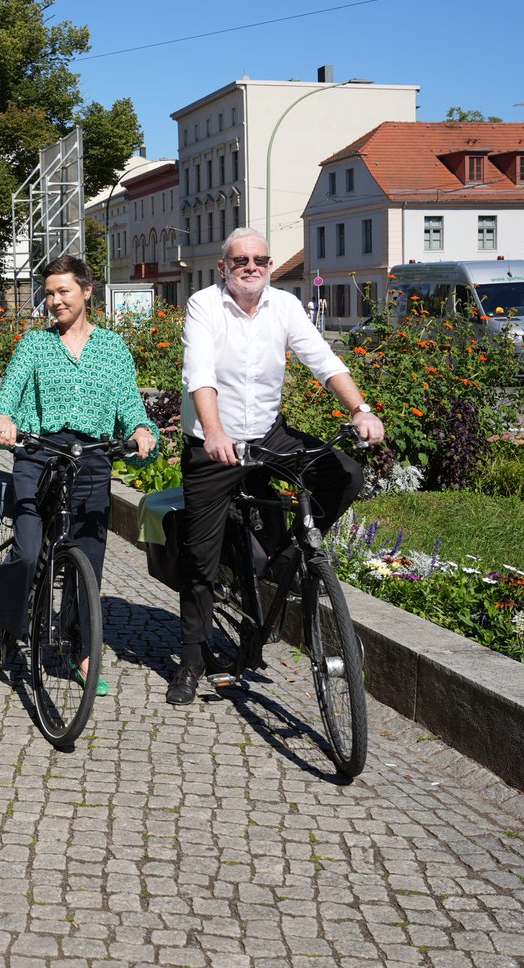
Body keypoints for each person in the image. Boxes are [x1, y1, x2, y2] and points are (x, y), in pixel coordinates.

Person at [167, 228, 385, 705]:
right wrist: (216, 432)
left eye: (261, 260)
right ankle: (190, 659)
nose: (252, 266)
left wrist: (359, 409)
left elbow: (322, 360)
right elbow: (199, 373)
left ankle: (286, 555)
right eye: (241, 260)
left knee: (344, 473)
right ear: (224, 267)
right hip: (213, 442)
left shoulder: (284, 306)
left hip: (268, 434)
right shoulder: (205, 304)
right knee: (199, 557)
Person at [0, 254, 158, 693]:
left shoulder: (112, 347)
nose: (55, 301)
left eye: (64, 291)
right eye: (50, 293)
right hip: (39, 454)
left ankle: (81, 652)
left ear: (86, 291)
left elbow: (130, 405)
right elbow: (9, 395)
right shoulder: (35, 345)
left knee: (88, 564)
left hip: (91, 458)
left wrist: (139, 429)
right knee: (26, 550)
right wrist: (4, 418)